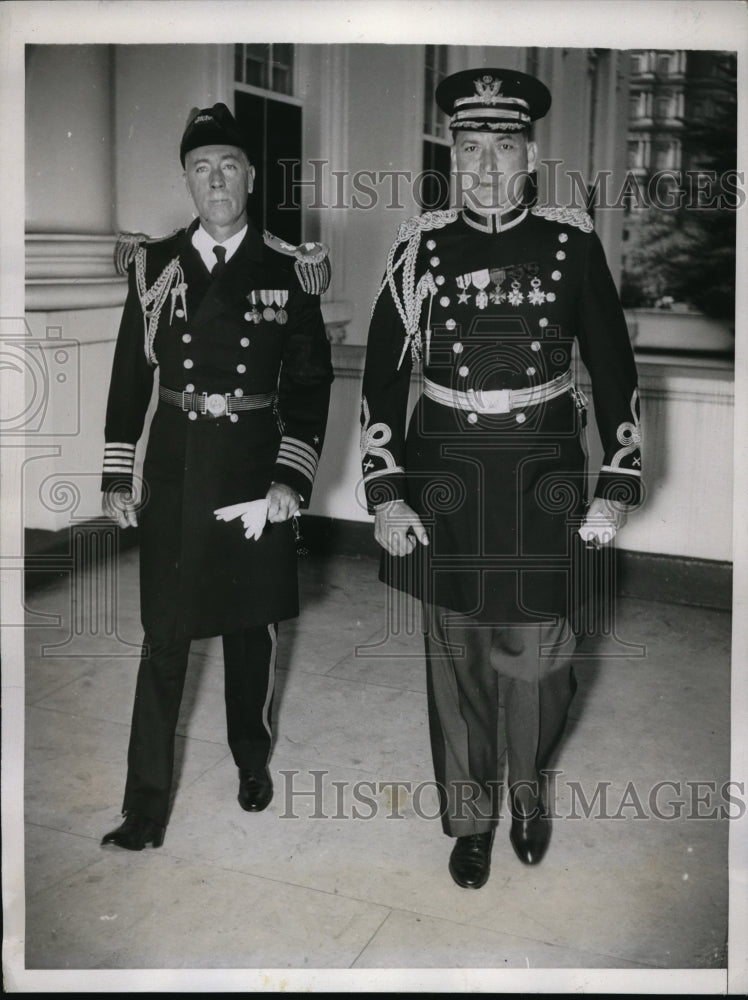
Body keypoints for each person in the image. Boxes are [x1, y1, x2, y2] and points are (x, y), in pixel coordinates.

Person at [361, 68, 642, 888]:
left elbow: (616, 371)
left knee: (541, 658)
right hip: (443, 474)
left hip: (543, 476)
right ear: (451, 152)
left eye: (503, 147)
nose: (485, 166)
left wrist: (616, 482)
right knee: (457, 660)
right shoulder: (418, 248)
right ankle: (471, 820)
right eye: (469, 147)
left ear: (531, 154)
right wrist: (385, 489)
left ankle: (529, 792)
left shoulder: (572, 243)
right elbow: (382, 378)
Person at [100, 102, 333, 850]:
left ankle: (252, 758)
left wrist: (288, 483)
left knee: (249, 630)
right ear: (187, 180)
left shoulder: (289, 269)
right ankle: (144, 806)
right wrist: (116, 470)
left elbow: (309, 388)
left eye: (228, 165)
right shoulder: (154, 263)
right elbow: (130, 377)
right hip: (174, 466)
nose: (216, 181)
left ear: (251, 175)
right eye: (201, 168)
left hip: (251, 468)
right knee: (163, 635)